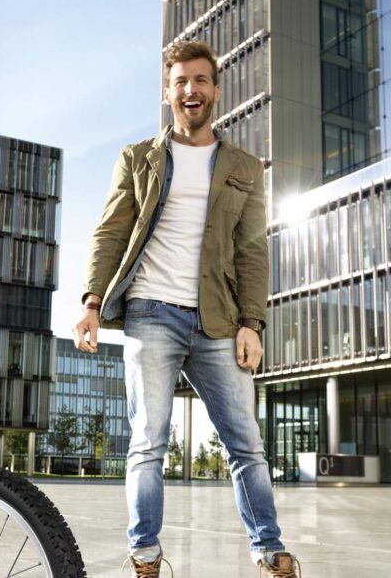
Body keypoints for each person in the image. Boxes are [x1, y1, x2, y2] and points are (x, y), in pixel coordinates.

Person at [73, 40, 299, 578]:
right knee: (148, 441)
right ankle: (146, 555)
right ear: (167, 91)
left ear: (215, 91)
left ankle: (270, 550)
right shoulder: (138, 158)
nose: (191, 91)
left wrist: (252, 323)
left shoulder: (245, 166)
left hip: (218, 319)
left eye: (200, 81)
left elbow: (252, 250)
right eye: (181, 82)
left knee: (246, 444)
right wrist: (91, 301)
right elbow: (110, 232)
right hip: (151, 311)